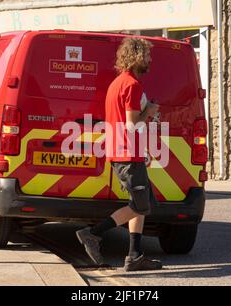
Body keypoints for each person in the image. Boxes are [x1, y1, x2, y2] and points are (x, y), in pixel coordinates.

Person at [76, 38, 162, 272]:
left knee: (142, 205)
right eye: (146, 55)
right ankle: (92, 234)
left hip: (123, 152)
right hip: (128, 153)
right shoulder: (132, 84)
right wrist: (150, 111)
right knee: (139, 205)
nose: (149, 60)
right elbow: (132, 123)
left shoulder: (117, 83)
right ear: (136, 57)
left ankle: (134, 255)